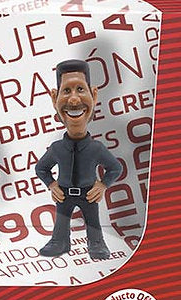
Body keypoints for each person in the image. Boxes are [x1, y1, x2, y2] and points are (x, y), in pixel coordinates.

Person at [35, 59, 123, 260]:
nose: (74, 99)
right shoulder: (57, 148)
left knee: (93, 222)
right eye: (66, 91)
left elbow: (115, 168)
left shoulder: (96, 148)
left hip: (88, 194)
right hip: (64, 195)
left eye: (80, 89)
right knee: (61, 222)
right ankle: (60, 241)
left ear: (93, 95)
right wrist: (52, 185)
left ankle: (96, 243)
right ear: (55, 98)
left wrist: (102, 185)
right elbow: (41, 168)